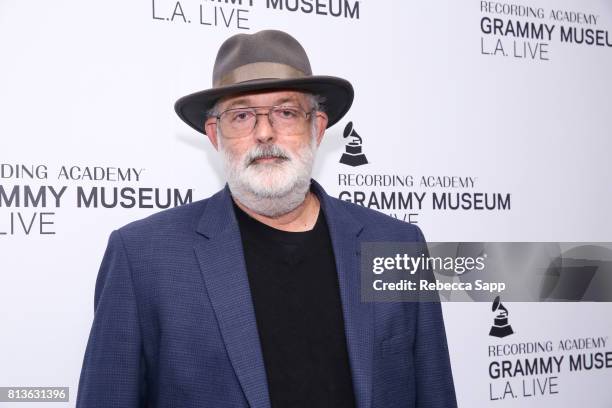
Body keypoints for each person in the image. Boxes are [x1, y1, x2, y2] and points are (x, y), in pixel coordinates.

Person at [76, 29, 457, 408]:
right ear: (215, 134)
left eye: (286, 112)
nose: (264, 132)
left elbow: (433, 392)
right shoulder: (143, 256)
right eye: (241, 115)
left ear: (317, 127)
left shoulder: (395, 244)